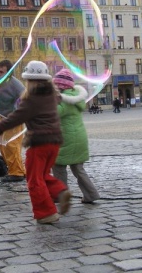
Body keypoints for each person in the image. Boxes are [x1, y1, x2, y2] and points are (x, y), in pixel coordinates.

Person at [0, 61, 71, 224]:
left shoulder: (32, 99)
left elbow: (15, 118)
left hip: (39, 144)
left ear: (29, 80)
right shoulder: (52, 95)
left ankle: (47, 213)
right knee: (43, 175)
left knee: (33, 180)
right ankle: (60, 191)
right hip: (54, 143)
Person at [52, 69, 100, 204]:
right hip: (79, 138)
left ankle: (61, 195)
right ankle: (91, 194)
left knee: (58, 166)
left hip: (67, 139)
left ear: (60, 86)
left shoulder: (65, 100)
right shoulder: (75, 97)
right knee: (78, 169)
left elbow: (54, 113)